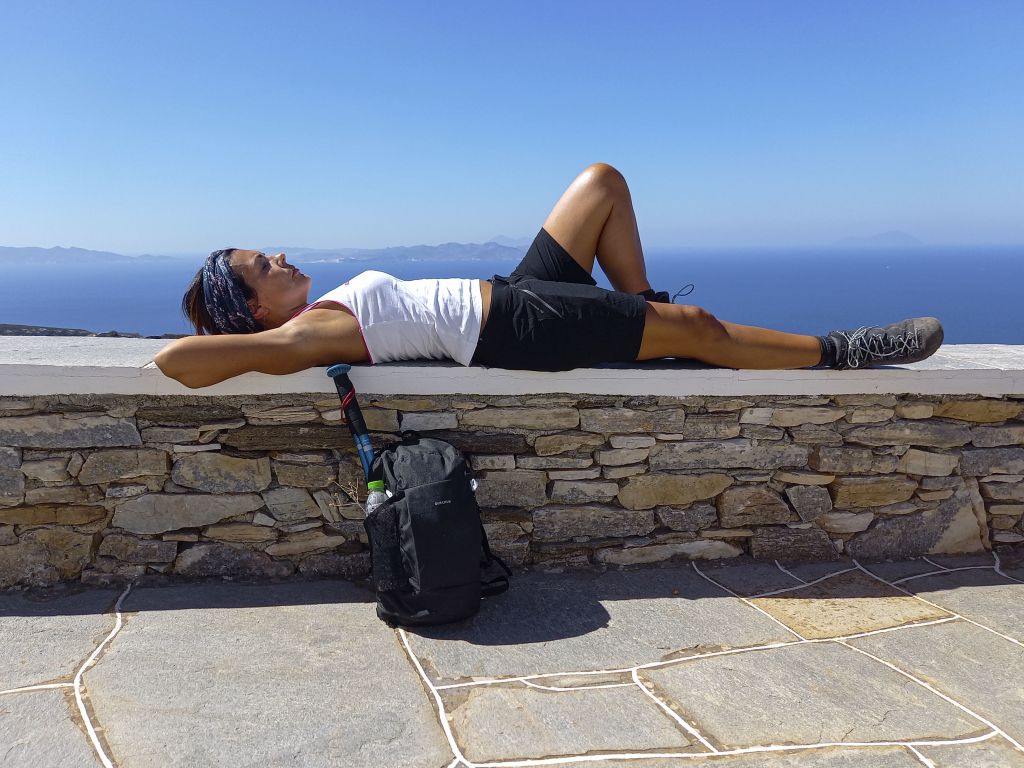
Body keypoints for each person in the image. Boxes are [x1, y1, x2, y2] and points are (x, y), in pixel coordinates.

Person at [154, 163, 943, 389]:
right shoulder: (302, 333)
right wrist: (227, 344)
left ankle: (643, 323)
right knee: (702, 332)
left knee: (601, 183)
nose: (280, 255)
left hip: (512, 290)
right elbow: (181, 366)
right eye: (264, 266)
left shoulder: (321, 305)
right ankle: (845, 349)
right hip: (512, 329)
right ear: (253, 307)